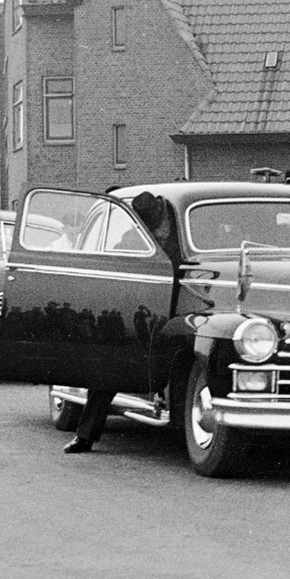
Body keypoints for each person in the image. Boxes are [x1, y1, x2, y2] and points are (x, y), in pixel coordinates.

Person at [64, 191, 180, 454]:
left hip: (166, 317)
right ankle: (85, 436)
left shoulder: (173, 234)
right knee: (107, 374)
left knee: (108, 376)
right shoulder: (138, 237)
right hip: (142, 318)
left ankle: (85, 436)